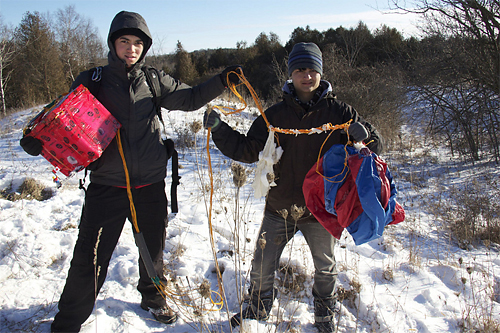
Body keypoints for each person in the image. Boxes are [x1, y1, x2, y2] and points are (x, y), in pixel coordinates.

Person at [20, 11, 240, 333]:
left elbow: (191, 98)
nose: (131, 49)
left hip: (149, 184)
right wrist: (37, 138)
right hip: (106, 185)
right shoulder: (92, 80)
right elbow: (62, 116)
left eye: (138, 43)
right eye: (125, 41)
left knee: (153, 250)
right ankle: (68, 322)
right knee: (89, 257)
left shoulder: (154, 80)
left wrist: (221, 81)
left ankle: (152, 296)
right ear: (113, 43)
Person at [203, 42, 383, 332]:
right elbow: (250, 150)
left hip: (321, 210)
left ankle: (324, 313)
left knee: (326, 268)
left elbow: (371, 149)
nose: (307, 75)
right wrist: (220, 128)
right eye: (300, 69)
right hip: (280, 207)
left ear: (320, 73)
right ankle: (258, 308)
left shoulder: (340, 112)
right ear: (291, 74)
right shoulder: (273, 116)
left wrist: (367, 136)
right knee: (262, 265)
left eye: (312, 69)